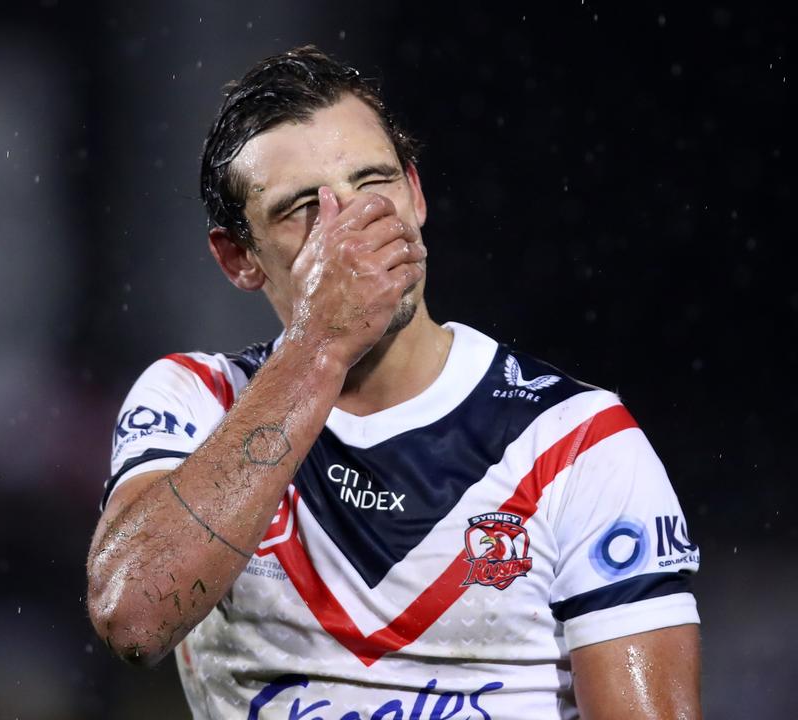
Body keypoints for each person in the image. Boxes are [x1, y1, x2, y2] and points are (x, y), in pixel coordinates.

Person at [86, 45, 702, 719]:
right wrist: (319, 343)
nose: (353, 227)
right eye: (302, 209)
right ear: (239, 257)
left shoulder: (577, 443)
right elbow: (133, 618)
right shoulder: (195, 400)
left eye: (373, 183)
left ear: (415, 194)